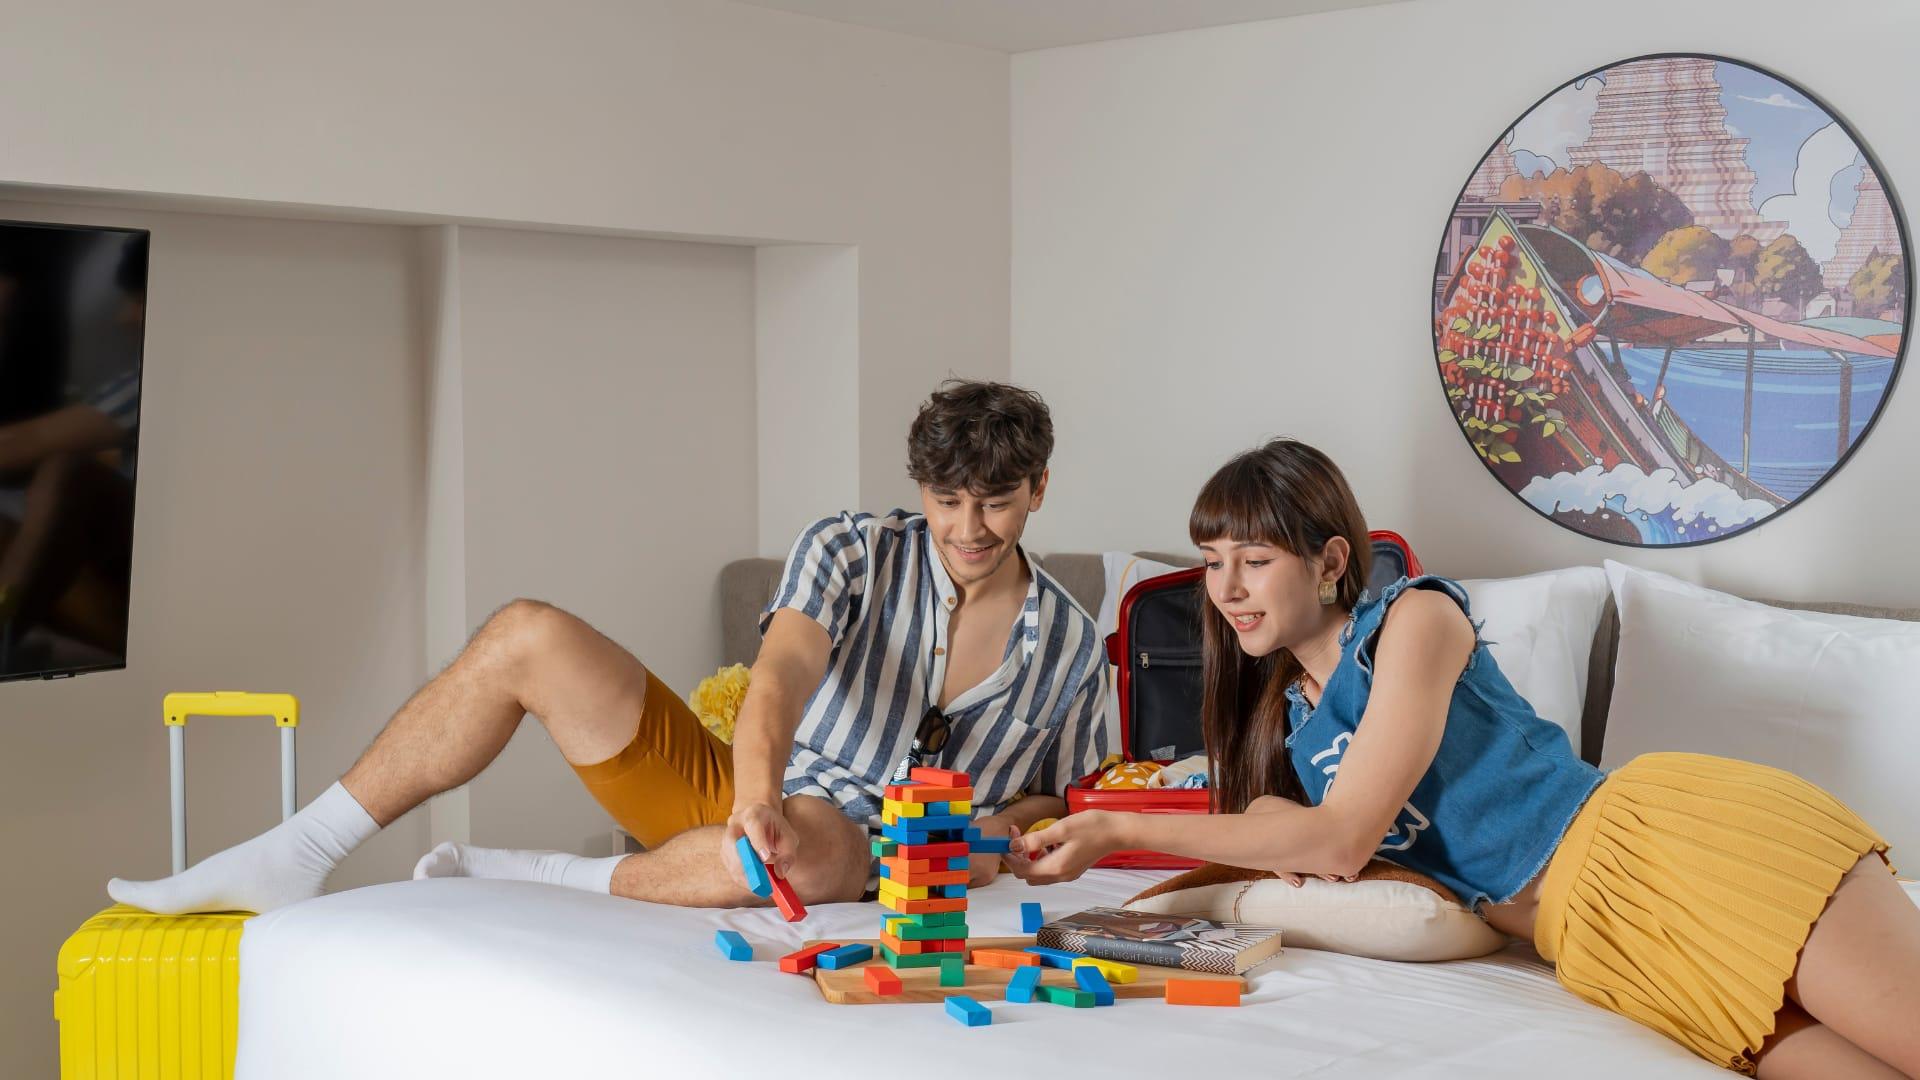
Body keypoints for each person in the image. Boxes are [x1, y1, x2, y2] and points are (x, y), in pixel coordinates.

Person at [1011, 438, 1919, 1079]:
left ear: (1331, 563)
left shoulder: (1415, 621)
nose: (1227, 590)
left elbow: (1339, 840)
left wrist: (1115, 825)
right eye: (1213, 562)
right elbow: (1302, 836)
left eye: (1253, 560)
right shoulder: (1295, 720)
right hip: (1597, 938)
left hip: (1667, 852)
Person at [110, 380, 1109, 914]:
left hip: (873, 848)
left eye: (997, 504)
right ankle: (295, 852)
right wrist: (752, 800)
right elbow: (779, 680)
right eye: (948, 503)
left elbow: (1054, 798)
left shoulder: (1067, 637)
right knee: (524, 634)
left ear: (1039, 491)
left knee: (798, 857)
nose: (970, 529)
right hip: (749, 784)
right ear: (920, 490)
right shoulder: (851, 546)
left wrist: (987, 837)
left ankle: (529, 876)